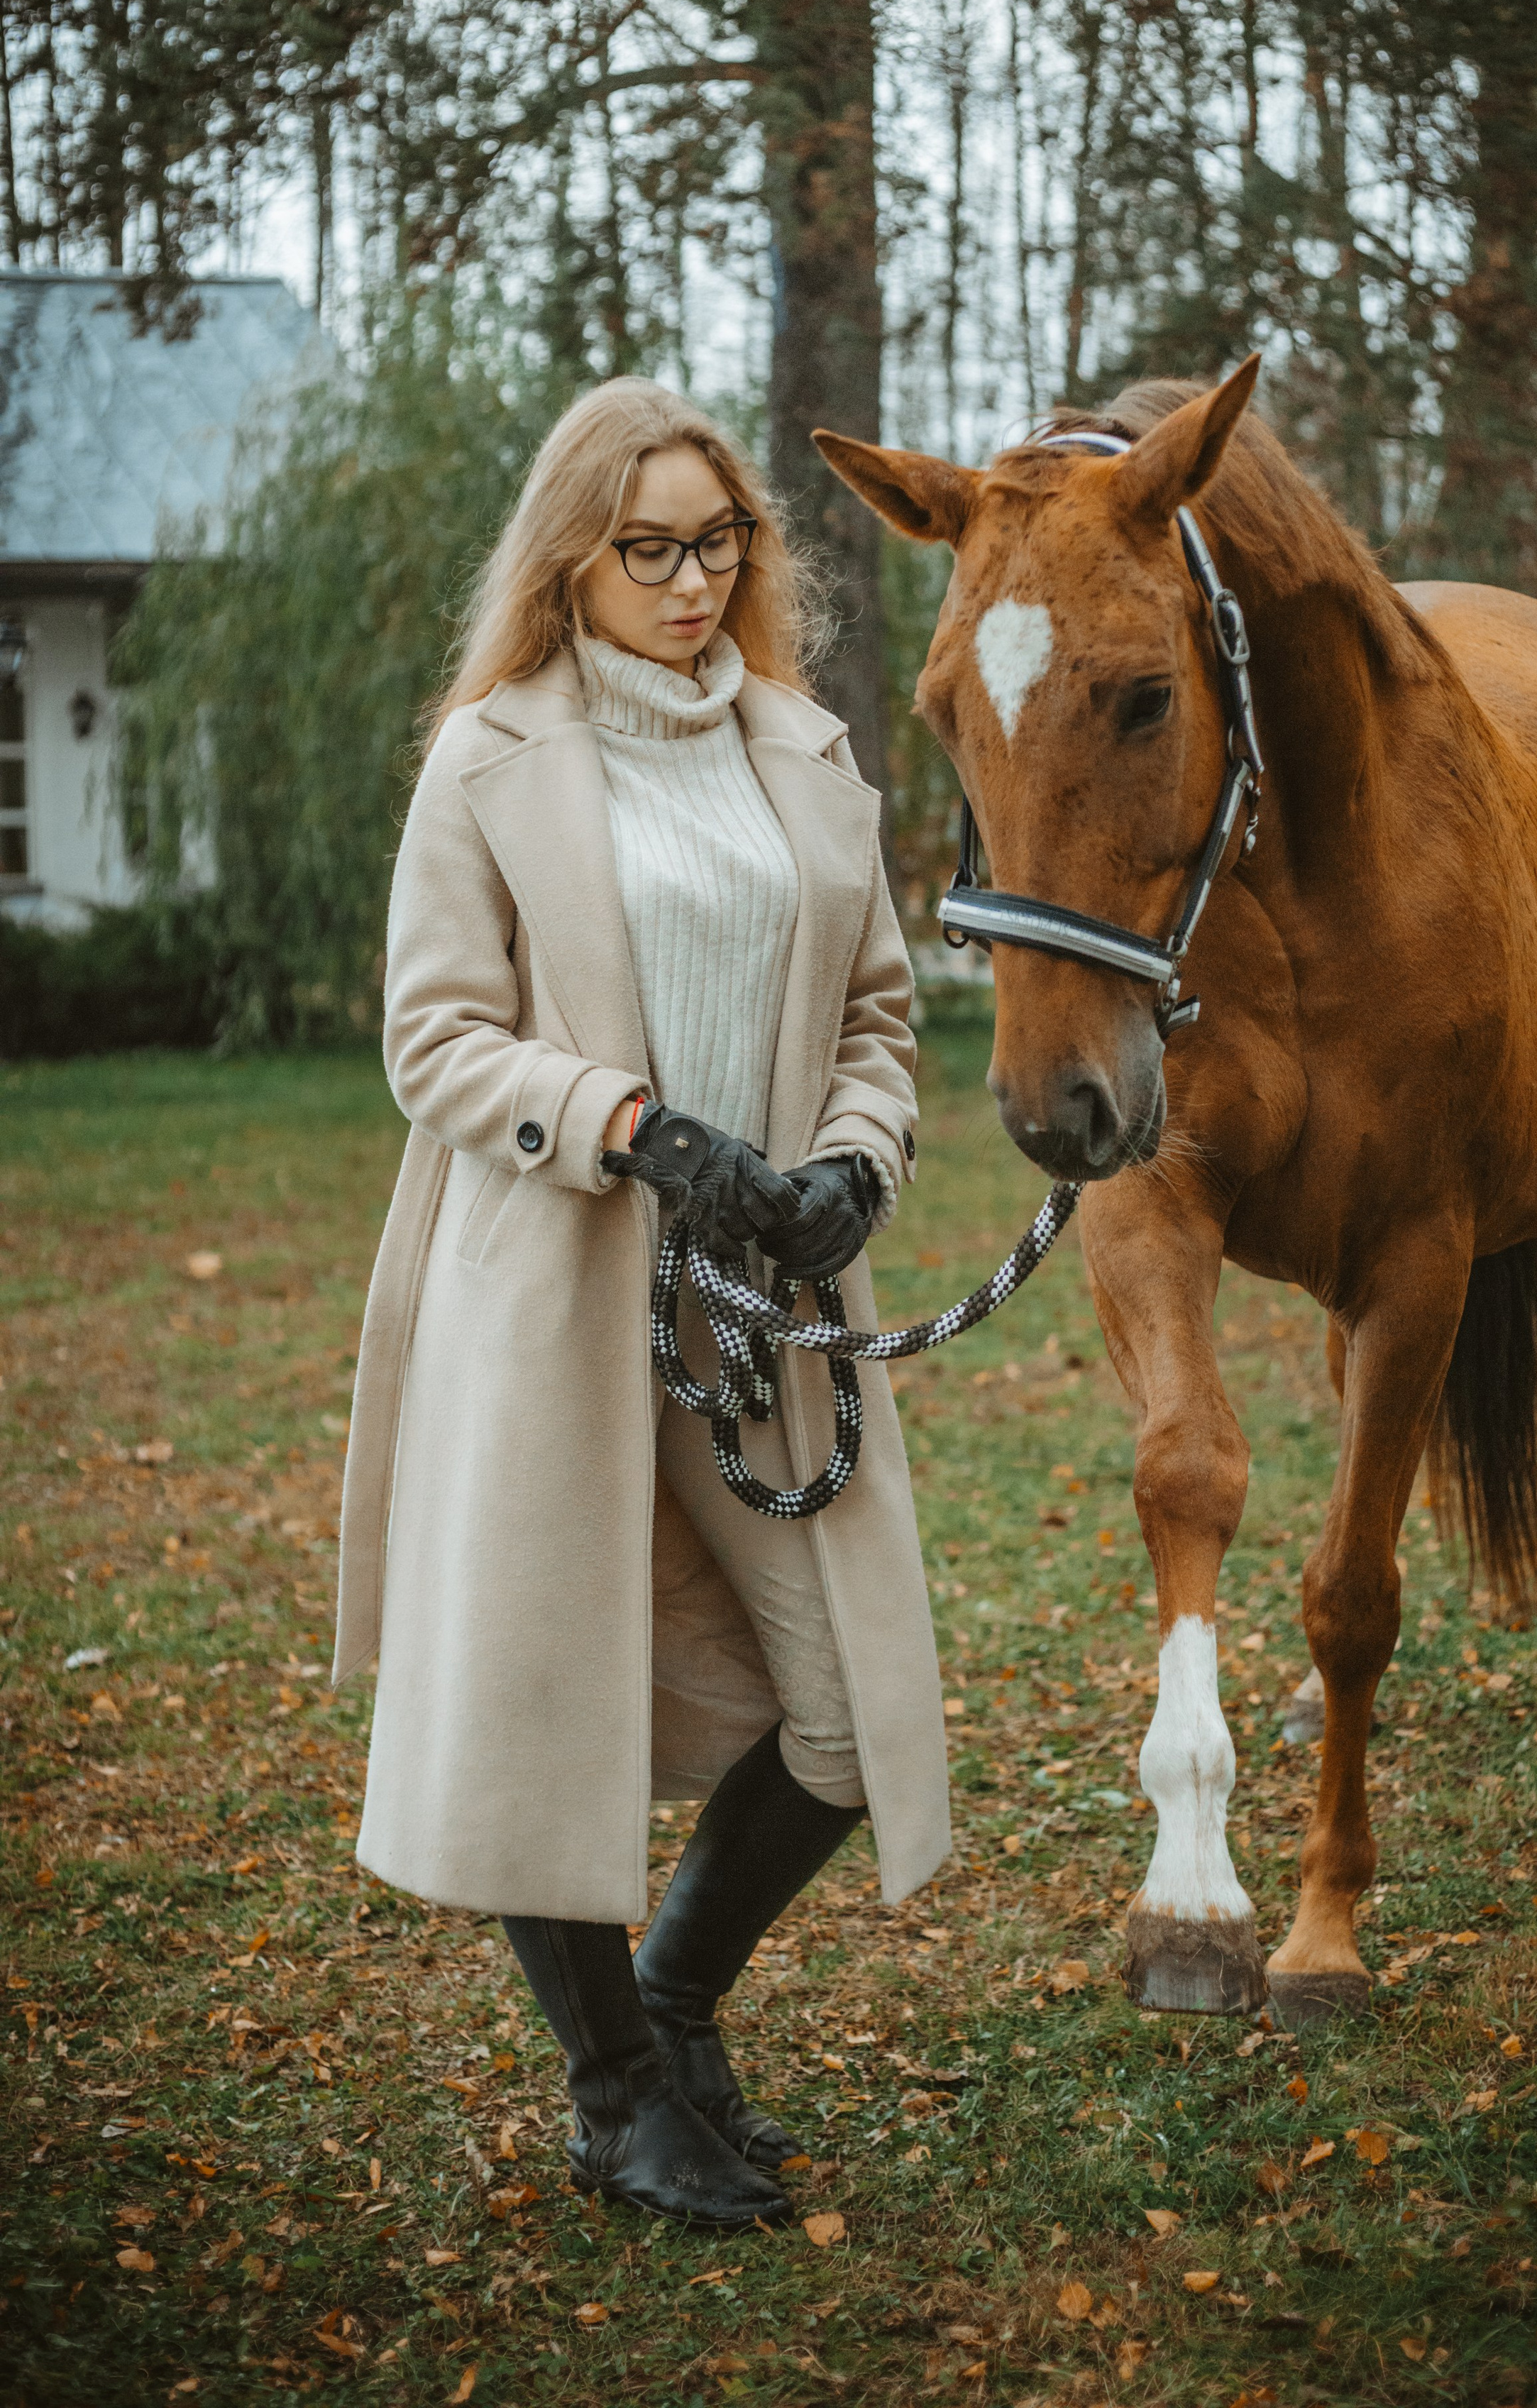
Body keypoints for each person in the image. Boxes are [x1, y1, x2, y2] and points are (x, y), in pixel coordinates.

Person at [331, 380, 949, 2231]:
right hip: (557, 1302)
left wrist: (857, 1162)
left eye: (721, 543)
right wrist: (634, 1127)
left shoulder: (802, 751)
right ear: (572, 561)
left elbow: (879, 1016)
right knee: (544, 1700)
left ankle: (671, 2009)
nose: (695, 584)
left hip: (763, 1310)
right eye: (650, 550)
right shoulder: (490, 759)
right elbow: (435, 1039)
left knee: (845, 1718)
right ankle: (618, 2100)